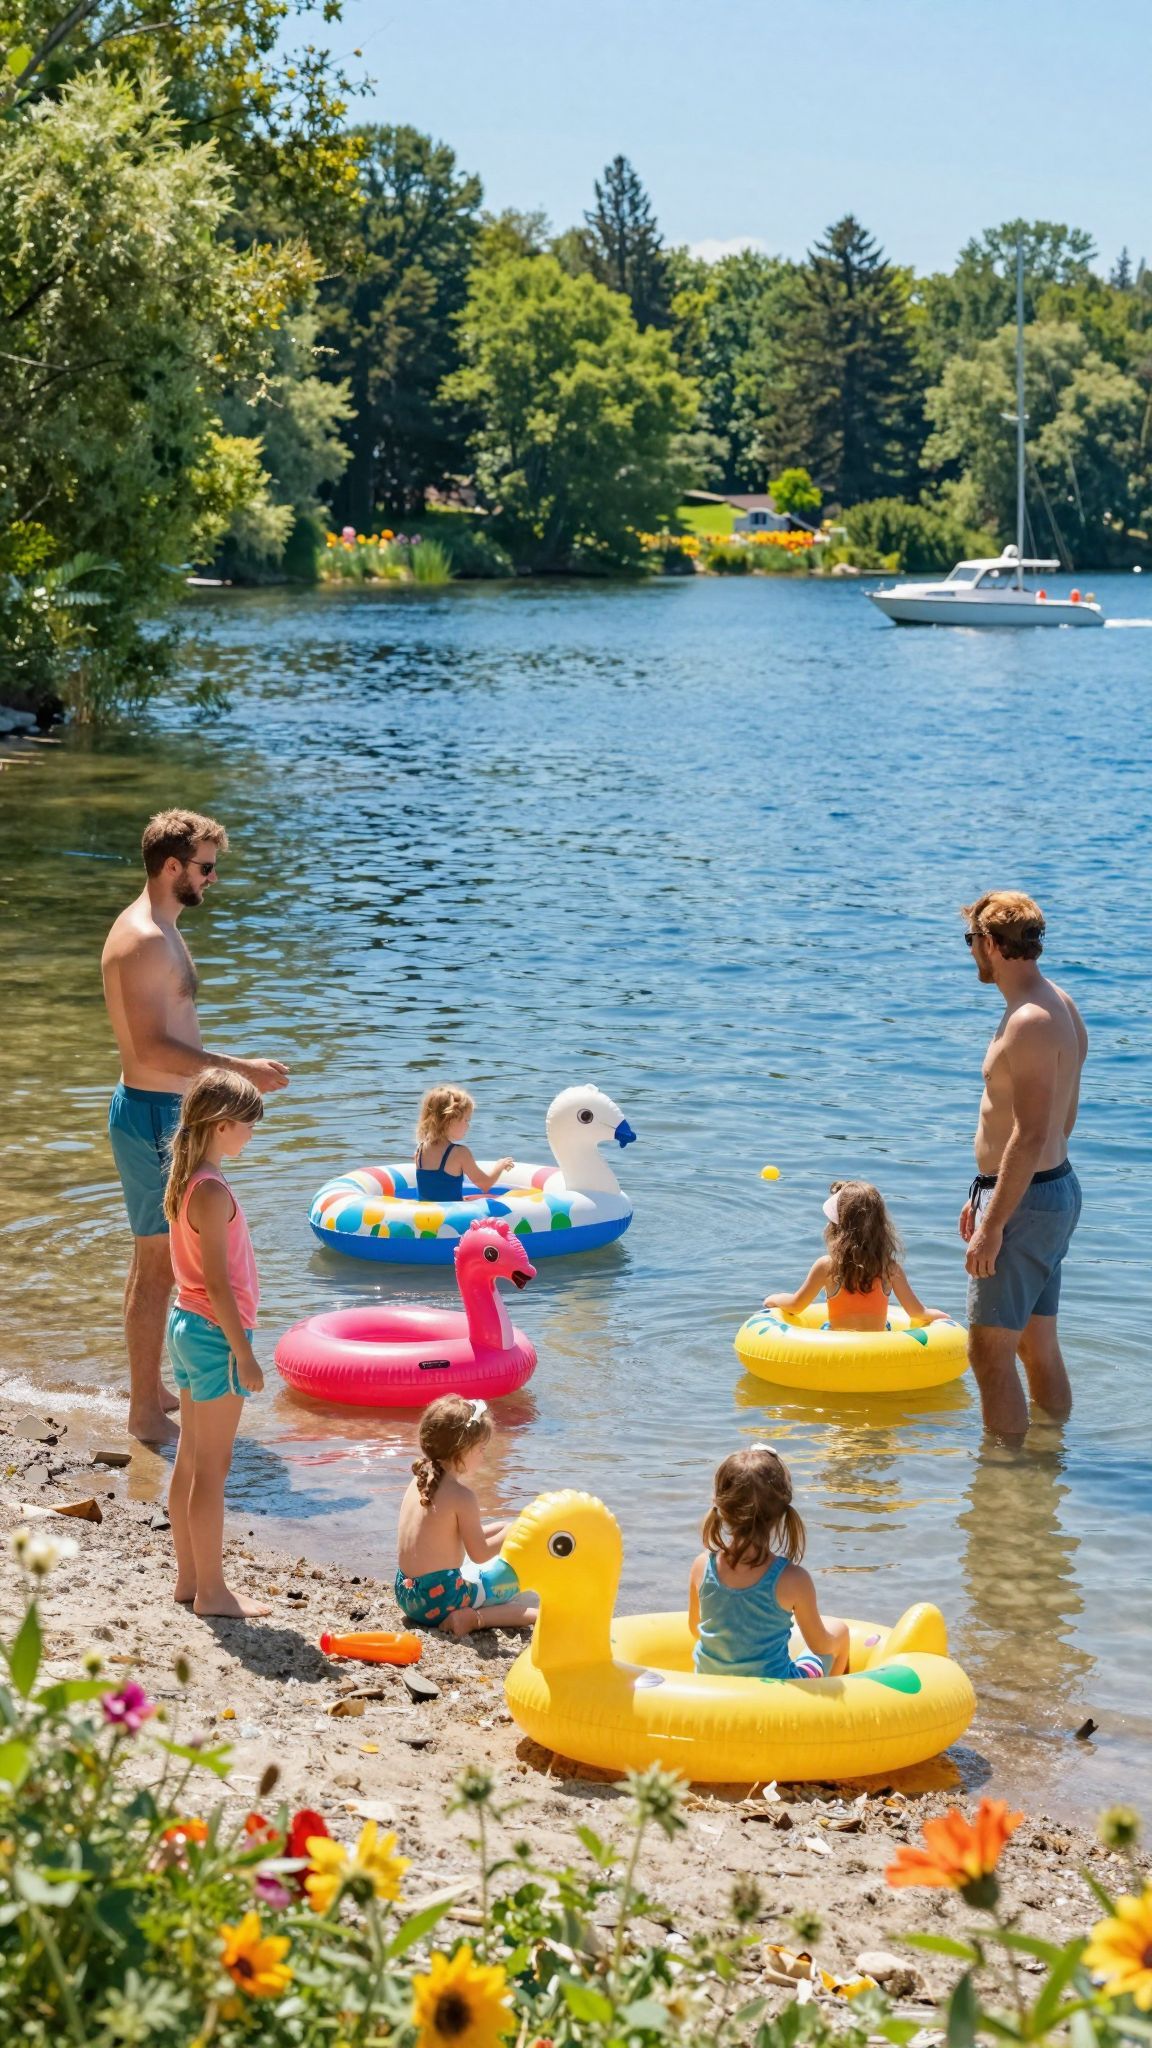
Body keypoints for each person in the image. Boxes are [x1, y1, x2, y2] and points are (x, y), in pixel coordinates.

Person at [101, 810, 289, 1443]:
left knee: (154, 1257)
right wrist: (237, 1070)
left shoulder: (162, 929)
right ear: (172, 866)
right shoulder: (143, 938)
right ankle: (143, 1413)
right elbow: (152, 1049)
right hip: (153, 1114)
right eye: (206, 867)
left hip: (162, 1113)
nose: (212, 878)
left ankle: (150, 1388)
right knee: (159, 1264)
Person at [960, 890, 1087, 1441]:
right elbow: (1065, 1119)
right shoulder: (1058, 1001)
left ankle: (1005, 1477)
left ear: (990, 944)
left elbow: (1033, 1133)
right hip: (1045, 1193)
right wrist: (985, 1190)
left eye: (972, 942)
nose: (972, 954)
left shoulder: (1029, 1020)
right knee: (1037, 1345)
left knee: (989, 1354)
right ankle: (1049, 1458)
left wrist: (993, 1224)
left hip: (1027, 1201)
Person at [164, 1068, 270, 1619]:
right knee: (213, 1469)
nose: (252, 1133)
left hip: (187, 1326)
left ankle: (189, 1580)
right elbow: (221, 1286)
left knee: (190, 1459)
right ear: (223, 1124)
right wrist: (245, 1355)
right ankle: (212, 1591)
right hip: (214, 1334)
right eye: (249, 1123)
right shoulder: (210, 1189)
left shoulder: (190, 1181)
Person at [689, 1445, 848, 1680]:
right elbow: (820, 1646)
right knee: (839, 1631)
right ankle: (830, 1714)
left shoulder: (702, 1565)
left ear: (719, 1504)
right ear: (782, 1511)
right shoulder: (793, 1579)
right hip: (773, 1699)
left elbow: (696, 1630)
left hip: (712, 1690)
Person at [395, 1395, 537, 1636]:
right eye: (481, 1449)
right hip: (438, 1603)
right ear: (462, 1449)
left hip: (406, 1593)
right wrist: (513, 1533)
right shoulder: (462, 1496)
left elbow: (449, 1537)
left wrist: (503, 1526)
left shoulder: (420, 1480)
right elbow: (479, 1554)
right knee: (515, 1598)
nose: (484, 1455)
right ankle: (477, 1618)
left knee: (490, 1544)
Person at [764, 1180, 950, 1332]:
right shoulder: (890, 1267)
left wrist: (775, 1298)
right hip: (877, 1346)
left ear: (837, 1226)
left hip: (840, 1345)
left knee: (825, 1328)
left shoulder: (827, 1266)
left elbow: (796, 1305)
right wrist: (940, 1318)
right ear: (881, 1228)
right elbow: (917, 1312)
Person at [413, 1086, 515, 1203]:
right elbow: (485, 1184)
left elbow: (435, 1192)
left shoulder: (419, 1150)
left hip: (426, 1216)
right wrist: (499, 1166)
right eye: (466, 1120)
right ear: (449, 1121)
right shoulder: (460, 1153)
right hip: (452, 1217)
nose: (468, 1126)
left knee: (471, 1197)